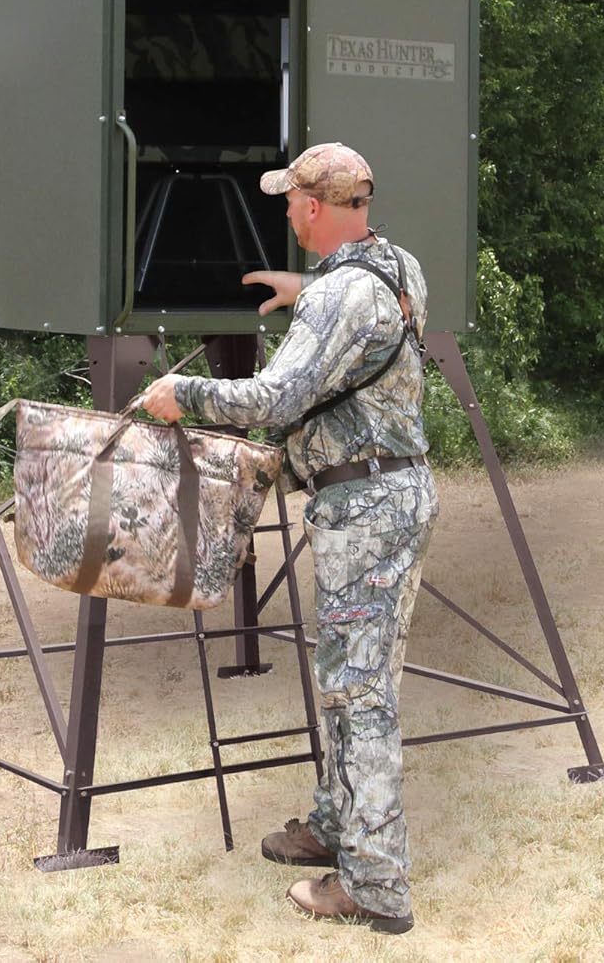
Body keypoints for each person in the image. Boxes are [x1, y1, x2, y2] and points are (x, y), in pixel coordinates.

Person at [137, 142, 438, 935]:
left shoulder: (339, 297)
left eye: (288, 203)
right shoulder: (398, 268)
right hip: (395, 496)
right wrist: (303, 288)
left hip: (366, 510)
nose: (285, 215)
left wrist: (183, 391)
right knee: (350, 678)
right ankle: (334, 825)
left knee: (359, 695)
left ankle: (375, 887)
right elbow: (366, 311)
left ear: (310, 205)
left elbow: (275, 398)